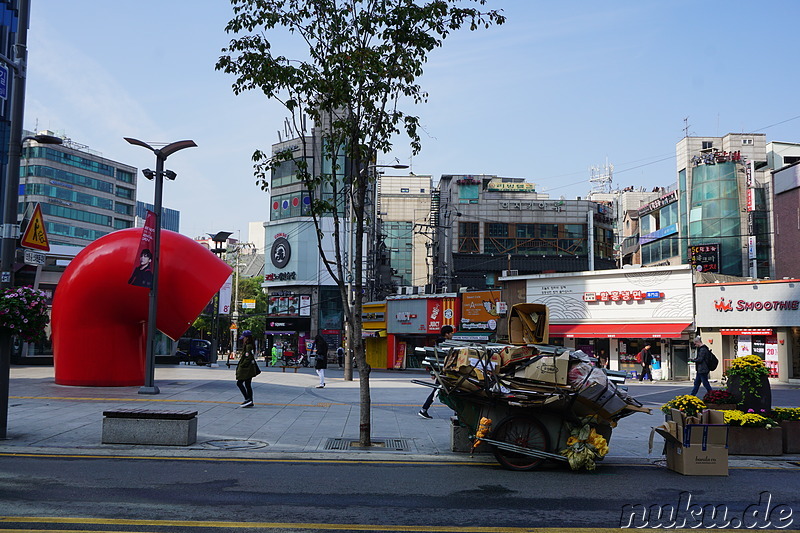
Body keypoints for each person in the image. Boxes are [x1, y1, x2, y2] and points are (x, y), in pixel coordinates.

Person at [419, 325, 454, 419]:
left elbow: (434, 358)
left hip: (440, 371)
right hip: (443, 372)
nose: (452, 334)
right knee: (437, 390)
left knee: (443, 390)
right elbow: (440, 358)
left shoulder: (438, 344)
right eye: (451, 333)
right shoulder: (445, 344)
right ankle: (423, 409)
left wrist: (433, 371)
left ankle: (424, 409)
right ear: (447, 334)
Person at [235, 330, 258, 407]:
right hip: (250, 368)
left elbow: (248, 357)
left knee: (239, 383)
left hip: (247, 369)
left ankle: (247, 399)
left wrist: (242, 365)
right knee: (248, 384)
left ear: (247, 338)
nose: (243, 339)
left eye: (244, 337)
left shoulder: (248, 346)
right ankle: (250, 400)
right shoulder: (250, 345)